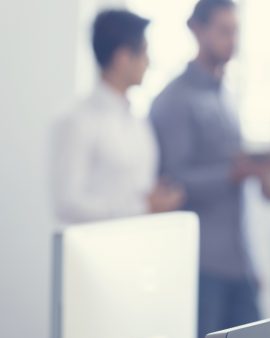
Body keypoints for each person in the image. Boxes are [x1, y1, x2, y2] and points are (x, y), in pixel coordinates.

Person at [149, 0, 270, 338]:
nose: (232, 41)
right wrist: (233, 173)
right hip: (201, 264)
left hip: (238, 259)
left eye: (235, 31)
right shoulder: (174, 100)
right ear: (197, 28)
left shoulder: (226, 93)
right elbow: (172, 180)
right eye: (224, 31)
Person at [52, 9, 184, 225]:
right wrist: (141, 207)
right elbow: (67, 204)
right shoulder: (77, 120)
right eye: (143, 52)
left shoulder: (138, 120)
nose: (148, 62)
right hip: (97, 251)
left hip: (140, 242)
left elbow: (137, 186)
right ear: (122, 57)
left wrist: (157, 196)